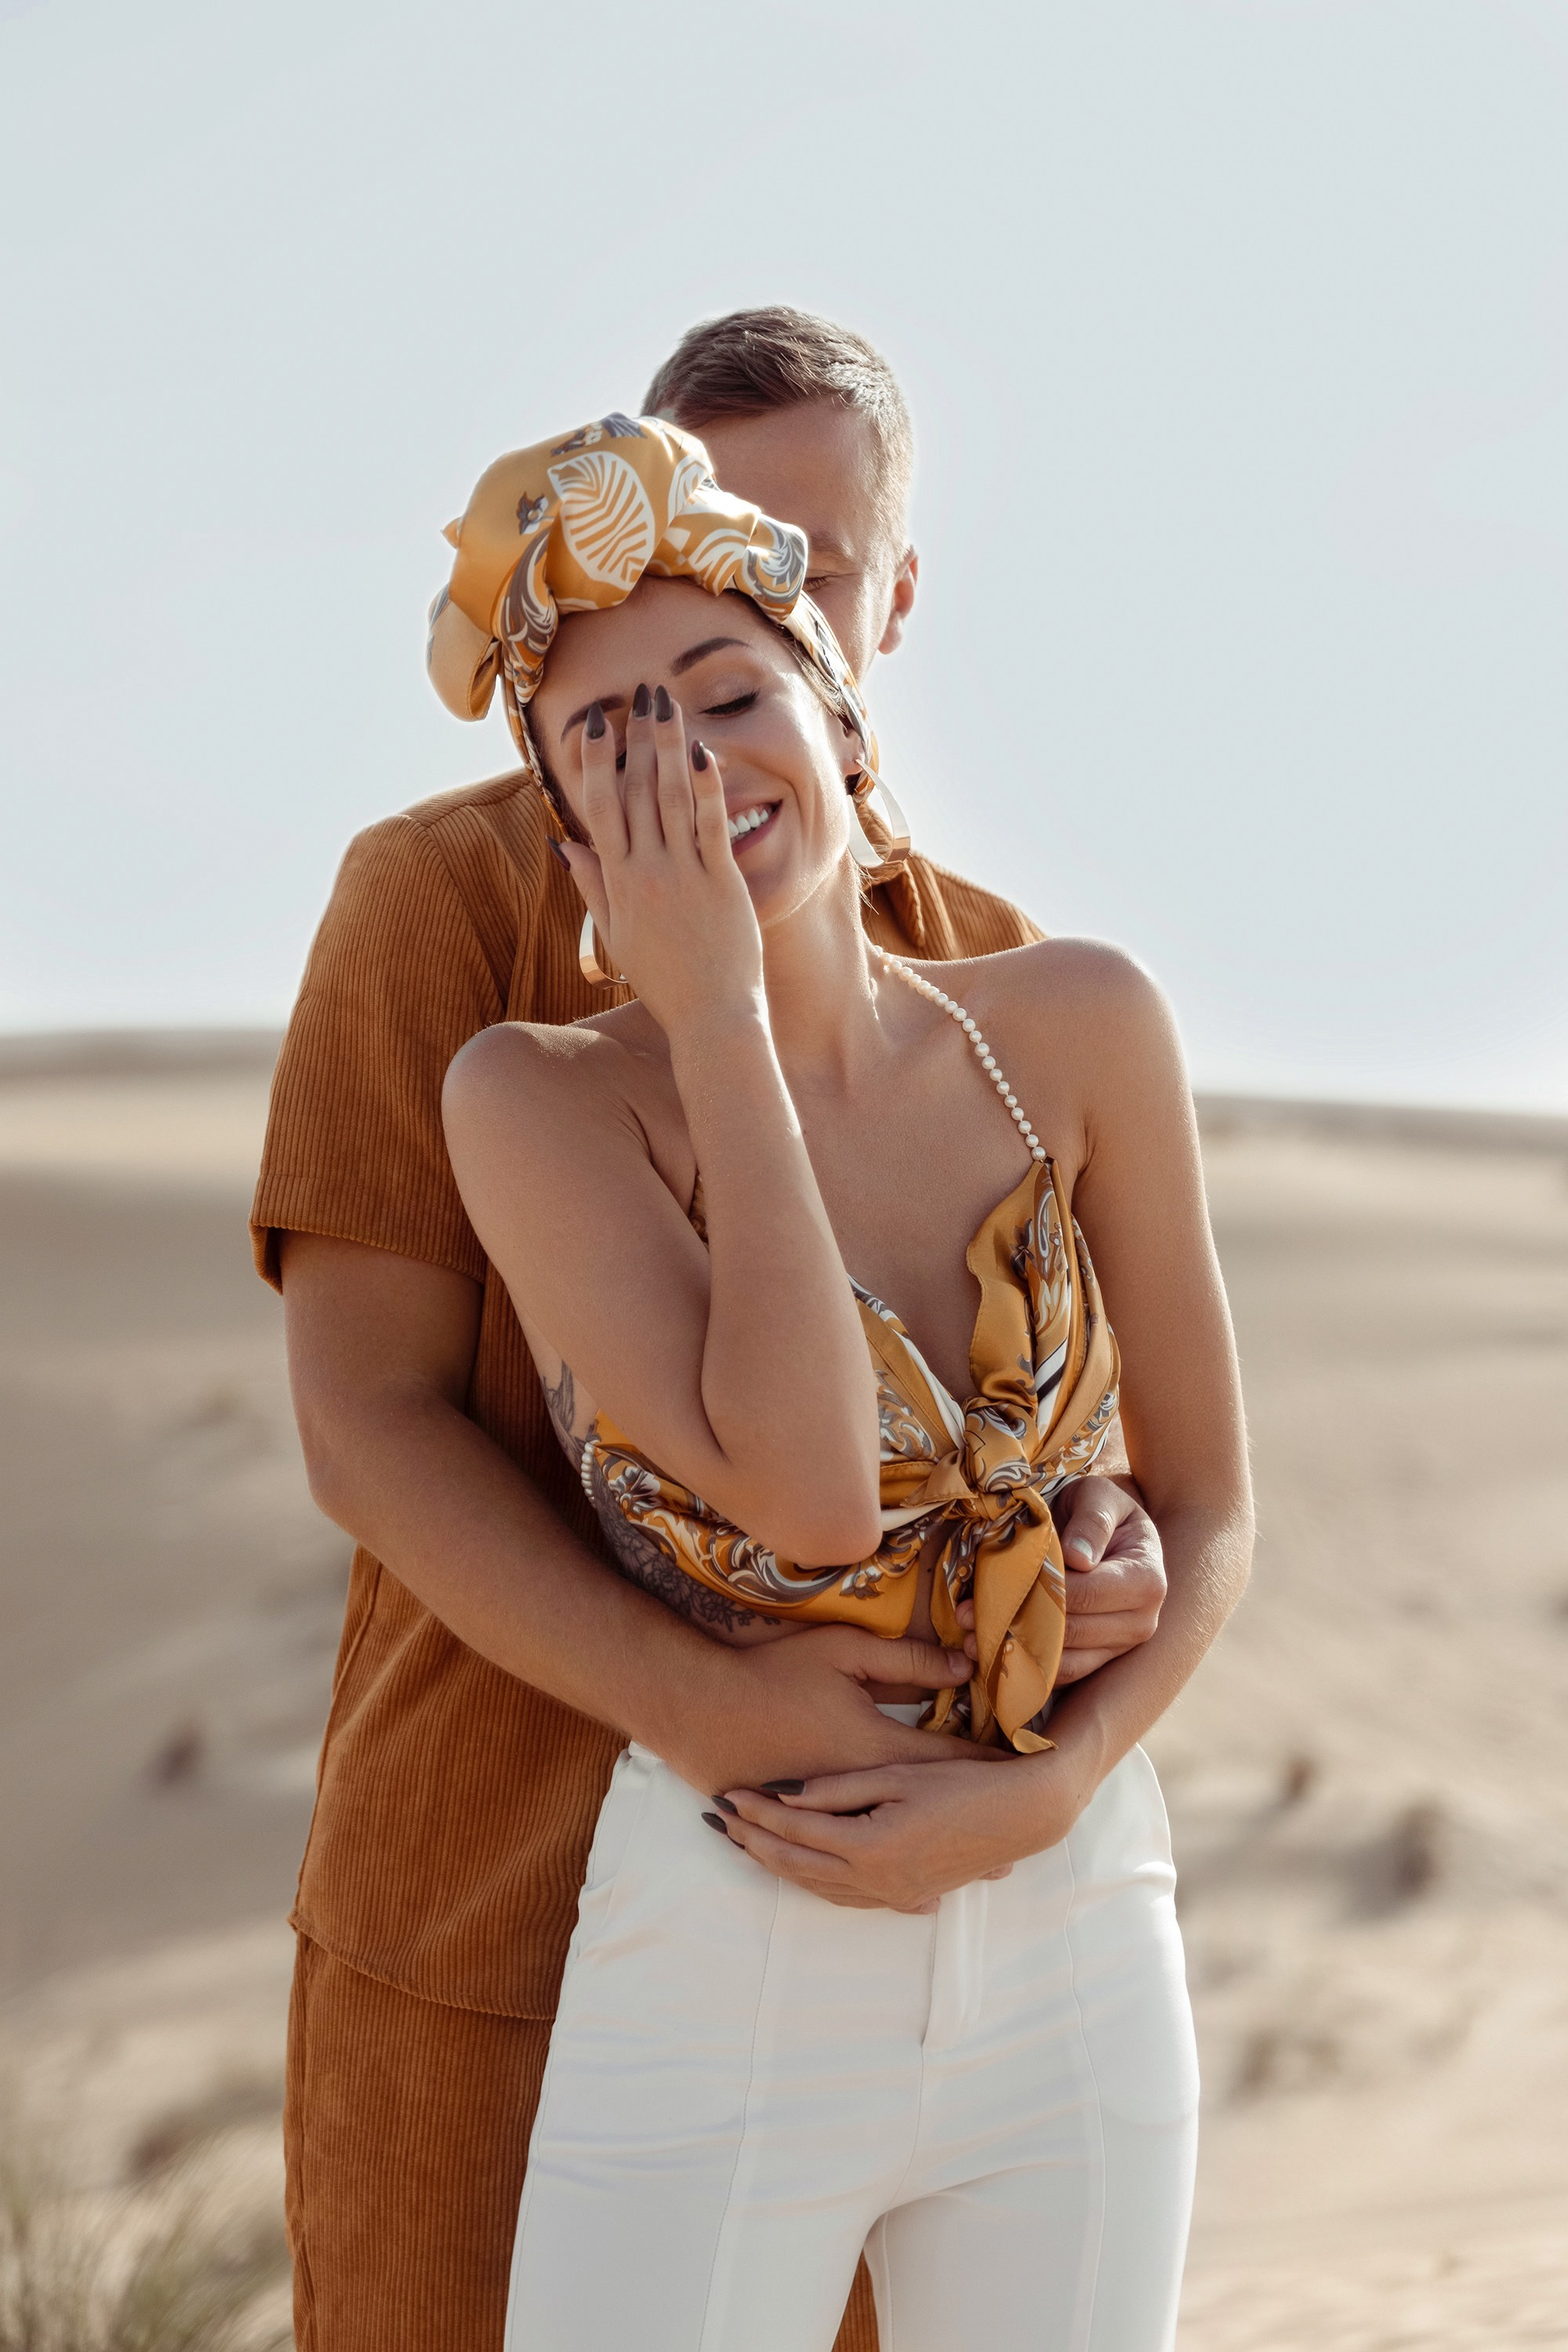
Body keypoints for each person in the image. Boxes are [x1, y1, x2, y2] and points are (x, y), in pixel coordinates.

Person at [256, 311, 1172, 2352]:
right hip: (493, 1899)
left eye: (800, 559)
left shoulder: (1009, 978)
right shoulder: (439, 903)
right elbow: (367, 1422)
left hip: (917, 1932)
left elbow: (1090, 1452)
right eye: (671, 522)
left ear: (887, 606)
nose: (715, 578)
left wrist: (1104, 1559)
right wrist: (715, 1710)